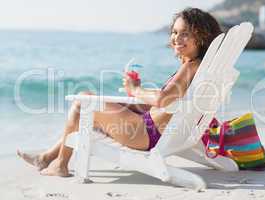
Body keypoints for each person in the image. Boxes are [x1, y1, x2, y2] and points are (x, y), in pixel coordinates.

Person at [17, 7, 222, 177]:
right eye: (175, 32)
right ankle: (46, 158)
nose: (177, 38)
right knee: (91, 104)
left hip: (145, 134)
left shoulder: (191, 67)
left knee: (83, 102)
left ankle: (60, 164)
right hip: (154, 130)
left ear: (202, 38)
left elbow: (162, 99)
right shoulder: (197, 67)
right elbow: (171, 101)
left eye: (185, 33)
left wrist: (135, 89)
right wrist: (136, 96)